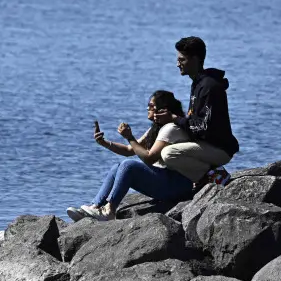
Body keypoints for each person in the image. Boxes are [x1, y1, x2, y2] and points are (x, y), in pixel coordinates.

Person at [67, 90, 194, 222]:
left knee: (129, 166)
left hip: (178, 184)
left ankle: (109, 210)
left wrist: (130, 137)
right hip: (167, 179)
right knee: (117, 167)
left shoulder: (171, 129)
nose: (147, 108)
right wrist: (105, 143)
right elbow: (129, 150)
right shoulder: (157, 128)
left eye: (151, 106)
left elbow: (150, 158)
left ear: (162, 109)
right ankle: (95, 205)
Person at [155, 36, 239, 187]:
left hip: (219, 148)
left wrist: (175, 118)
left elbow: (202, 127)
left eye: (182, 60)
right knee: (168, 134)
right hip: (204, 142)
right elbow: (194, 121)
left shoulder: (209, 87)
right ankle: (177, 181)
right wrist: (173, 120)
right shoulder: (197, 83)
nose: (177, 64)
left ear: (195, 59)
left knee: (169, 153)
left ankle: (212, 175)